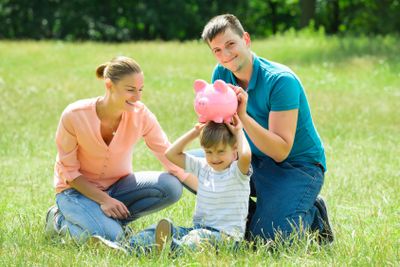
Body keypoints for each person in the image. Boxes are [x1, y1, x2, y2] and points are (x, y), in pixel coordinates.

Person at [200, 14, 334, 243]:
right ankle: (269, 209)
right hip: (254, 160)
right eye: (217, 50)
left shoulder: (281, 81)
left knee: (269, 239)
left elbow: (280, 150)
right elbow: (223, 133)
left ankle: (312, 214)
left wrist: (243, 116)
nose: (226, 55)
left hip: (296, 167)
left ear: (246, 39)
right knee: (202, 169)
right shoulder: (221, 75)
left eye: (231, 44)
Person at [45, 56, 191, 244]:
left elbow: (167, 154)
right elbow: (69, 172)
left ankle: (108, 221)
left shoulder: (141, 114)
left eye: (140, 90)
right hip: (75, 191)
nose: (137, 97)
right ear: (109, 85)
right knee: (111, 237)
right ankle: (60, 221)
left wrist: (206, 190)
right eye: (130, 90)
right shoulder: (74, 115)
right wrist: (103, 199)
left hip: (118, 187)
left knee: (171, 187)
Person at [128, 116, 252, 254]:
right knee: (157, 230)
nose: (214, 158)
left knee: (195, 241)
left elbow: (246, 155)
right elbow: (171, 154)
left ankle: (168, 248)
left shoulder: (238, 172)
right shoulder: (202, 167)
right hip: (197, 230)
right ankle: (127, 247)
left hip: (227, 238)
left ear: (235, 150)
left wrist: (239, 131)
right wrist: (194, 132)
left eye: (221, 151)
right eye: (209, 152)